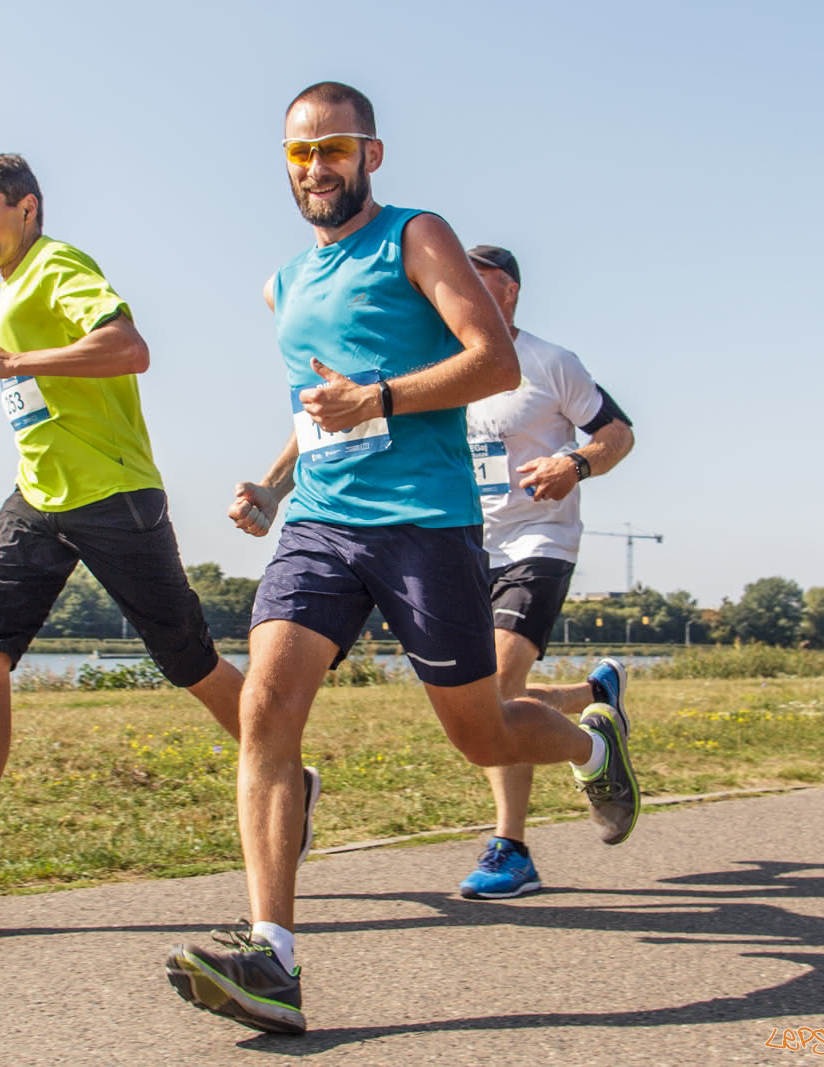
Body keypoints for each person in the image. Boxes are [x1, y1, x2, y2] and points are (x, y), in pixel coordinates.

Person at [164, 83, 639, 1035]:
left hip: (425, 523)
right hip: (323, 525)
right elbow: (317, 409)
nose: (315, 168)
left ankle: (593, 745)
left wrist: (379, 398)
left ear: (370, 154)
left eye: (333, 148)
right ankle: (272, 955)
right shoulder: (283, 284)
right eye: (298, 153)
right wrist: (273, 486)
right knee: (265, 706)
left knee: (483, 734)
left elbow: (494, 361)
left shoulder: (417, 236)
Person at [0, 154, 318, 918]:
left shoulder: (56, 265)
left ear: (27, 208)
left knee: (189, 660)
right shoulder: (14, 285)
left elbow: (130, 348)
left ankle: (287, 776)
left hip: (112, 494)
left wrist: (14, 360)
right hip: (38, 496)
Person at [457, 245, 637, 900]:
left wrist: (576, 464)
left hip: (539, 540)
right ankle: (592, 697)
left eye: (474, 277)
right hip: (467, 548)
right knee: (476, 703)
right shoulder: (443, 367)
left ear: (507, 289)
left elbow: (618, 432)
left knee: (497, 690)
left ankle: (512, 849)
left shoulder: (550, 362)